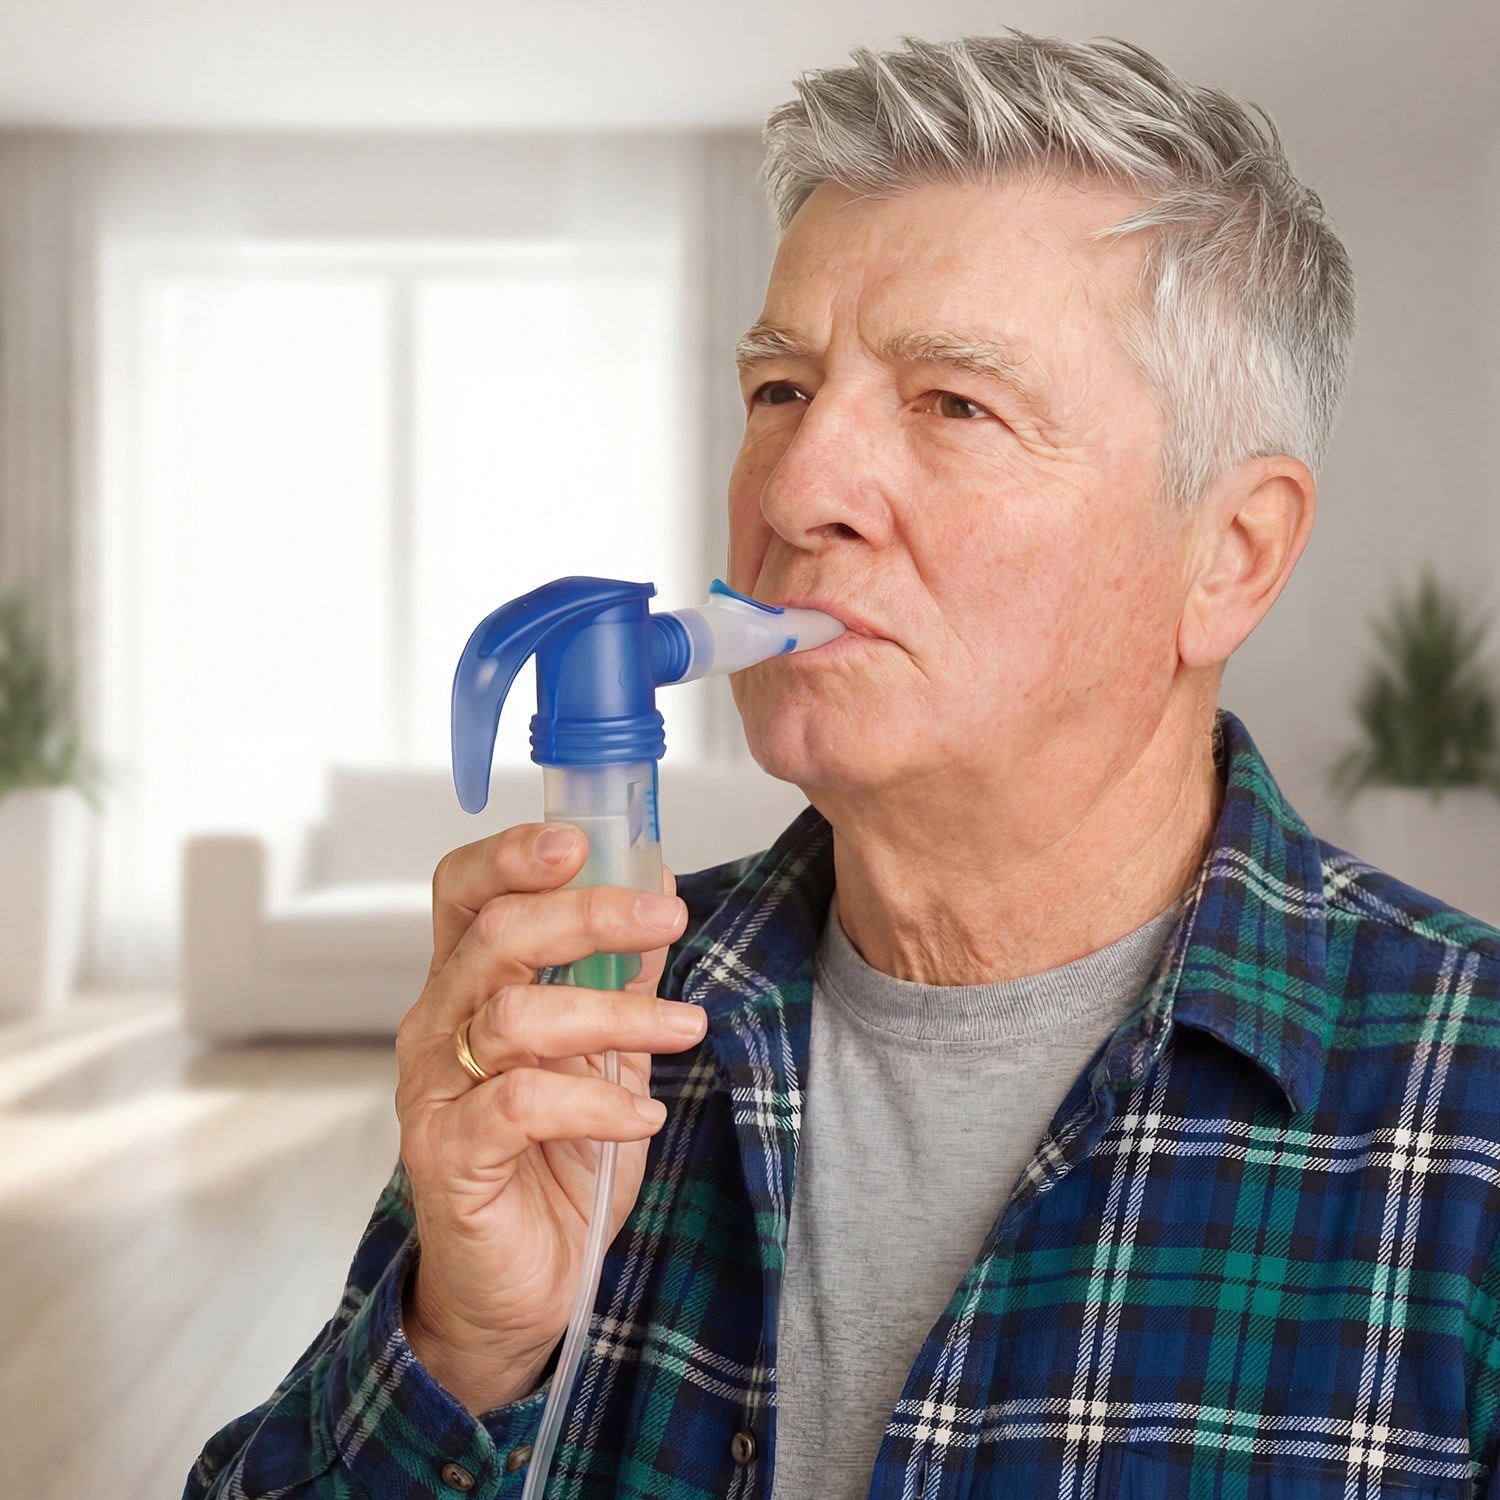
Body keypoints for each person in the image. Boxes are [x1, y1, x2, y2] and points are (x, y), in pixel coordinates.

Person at [187, 31, 1500, 1500]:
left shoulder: (1472, 1104)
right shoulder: (599, 1020)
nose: (801, 490)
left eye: (955, 404)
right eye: (780, 391)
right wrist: (462, 1345)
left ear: (1231, 554)